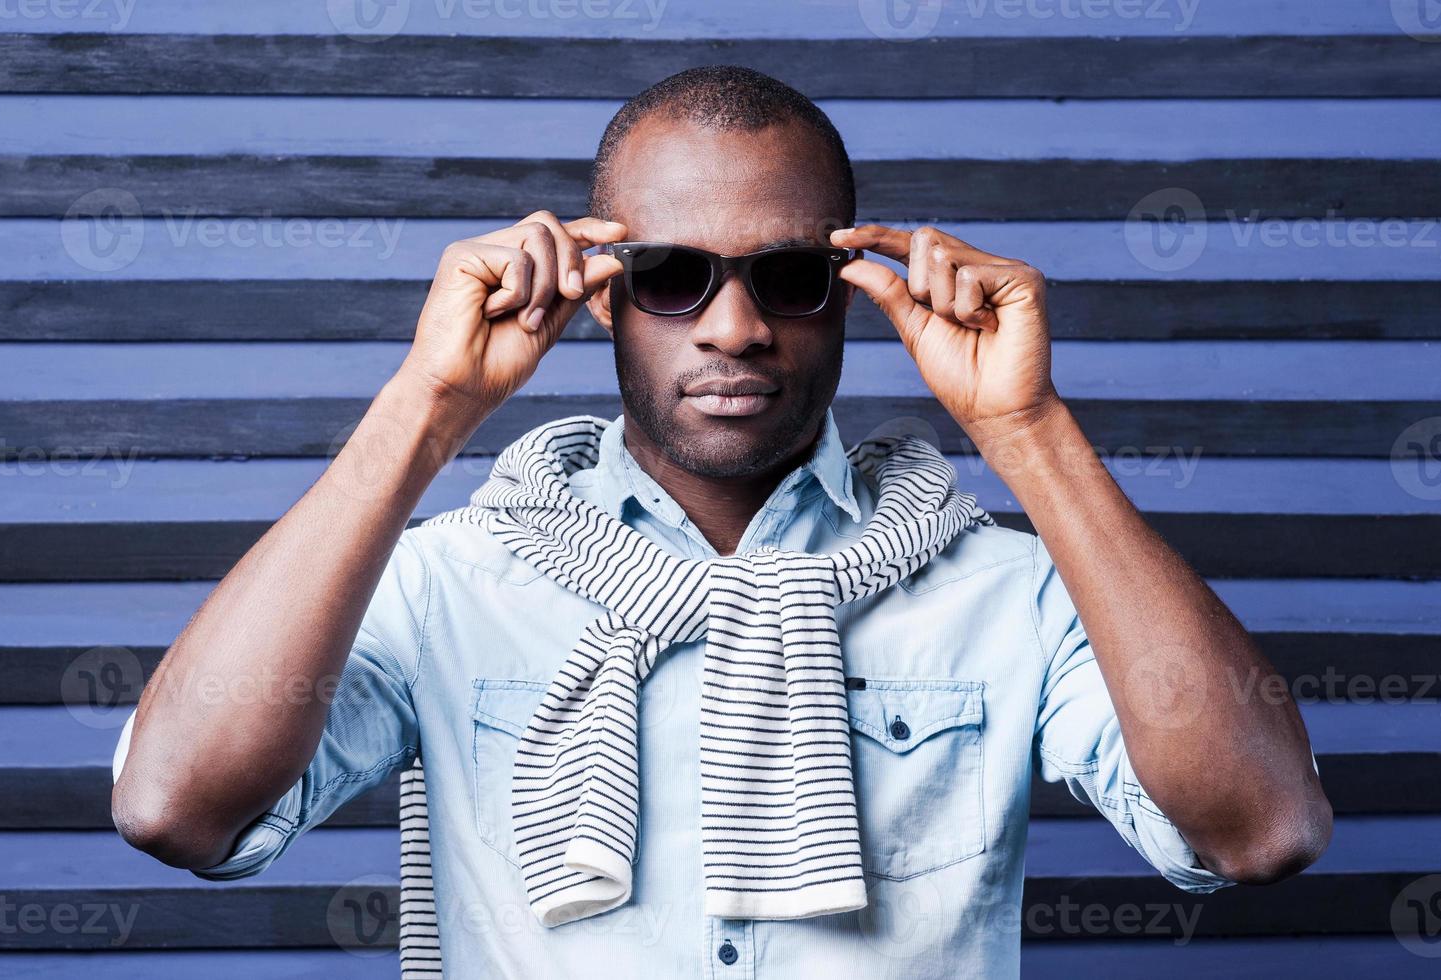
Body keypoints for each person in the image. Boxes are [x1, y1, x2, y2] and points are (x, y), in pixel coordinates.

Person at [110, 65, 1330, 977]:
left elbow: (1260, 829)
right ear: (602, 294)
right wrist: (428, 408)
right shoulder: (453, 579)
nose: (736, 326)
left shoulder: (1005, 589)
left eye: (791, 276)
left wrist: (1028, 429)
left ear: (856, 289)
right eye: (673, 275)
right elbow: (177, 806)